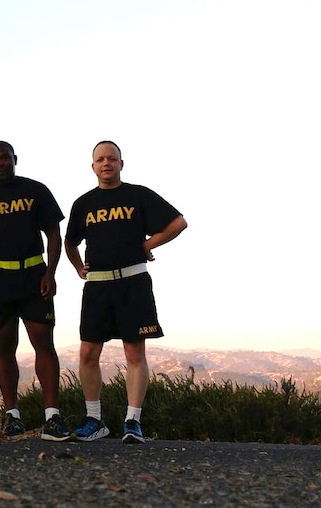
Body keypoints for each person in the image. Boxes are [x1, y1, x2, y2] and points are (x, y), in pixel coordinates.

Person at [64, 141, 187, 444]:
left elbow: (178, 223)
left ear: (121, 163)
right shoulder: (83, 203)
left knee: (134, 352)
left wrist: (148, 245)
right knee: (88, 353)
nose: (106, 163)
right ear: (93, 166)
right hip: (97, 286)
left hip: (133, 283)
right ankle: (95, 420)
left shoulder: (138, 195)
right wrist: (79, 266)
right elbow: (70, 241)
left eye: (112, 158)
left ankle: (133, 422)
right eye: (100, 159)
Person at [0, 141, 71, 441]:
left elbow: (54, 233)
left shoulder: (36, 190)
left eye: (4, 158)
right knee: (4, 347)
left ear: (14, 159)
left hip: (34, 277)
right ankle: (12, 416)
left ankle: (52, 416)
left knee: (43, 344)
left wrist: (50, 272)